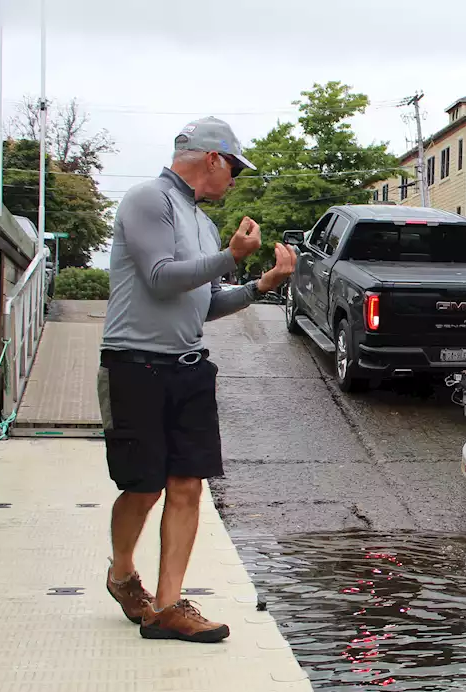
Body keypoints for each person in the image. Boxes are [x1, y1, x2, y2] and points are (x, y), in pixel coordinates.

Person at [98, 116, 295, 643]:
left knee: (187, 484)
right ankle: (121, 574)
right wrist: (230, 257)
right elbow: (162, 279)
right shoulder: (148, 200)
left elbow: (202, 304)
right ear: (211, 158)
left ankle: (168, 606)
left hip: (188, 368)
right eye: (233, 166)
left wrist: (260, 284)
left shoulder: (203, 223)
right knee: (142, 487)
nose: (234, 177)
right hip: (135, 364)